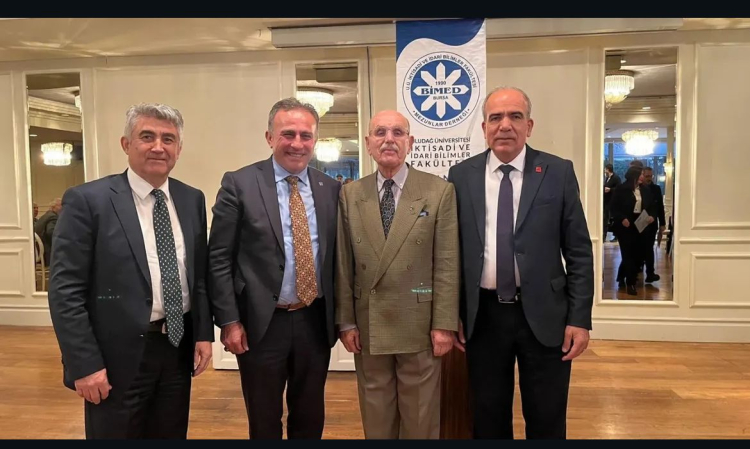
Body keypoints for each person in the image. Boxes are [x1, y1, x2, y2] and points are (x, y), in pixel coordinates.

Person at [47, 103, 214, 439]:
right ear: (126, 144)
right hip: (114, 358)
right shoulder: (88, 201)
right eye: (147, 137)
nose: (158, 147)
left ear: (179, 148)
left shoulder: (191, 199)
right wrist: (84, 364)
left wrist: (203, 334)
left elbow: (197, 276)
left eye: (168, 139)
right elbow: (65, 291)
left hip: (176, 348)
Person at [447, 87, 594, 439]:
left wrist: (579, 318)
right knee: (488, 417)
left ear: (529, 125)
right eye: (495, 117)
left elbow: (578, 251)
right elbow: (451, 253)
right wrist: (452, 314)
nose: (505, 125)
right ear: (484, 127)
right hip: (483, 317)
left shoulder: (557, 171)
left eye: (515, 116)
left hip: (545, 314)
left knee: (546, 417)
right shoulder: (461, 175)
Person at [207, 98, 341, 439]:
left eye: (306, 136)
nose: (297, 143)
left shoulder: (330, 189)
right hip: (260, 324)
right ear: (269, 137)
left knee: (310, 414)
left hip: (314, 319)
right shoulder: (239, 184)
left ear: (315, 140)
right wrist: (229, 321)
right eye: (288, 134)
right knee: (264, 418)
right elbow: (219, 258)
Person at [335, 110, 459, 439]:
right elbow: (344, 264)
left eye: (397, 132)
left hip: (419, 322)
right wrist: (346, 321)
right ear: (368, 143)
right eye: (380, 132)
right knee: (376, 417)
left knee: (420, 419)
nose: (389, 139)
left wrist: (444, 324)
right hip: (368, 322)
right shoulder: (351, 194)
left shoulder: (439, 191)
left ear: (410, 142)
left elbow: (447, 263)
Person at [610, 166, 657, 295]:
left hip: (640, 224)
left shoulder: (645, 189)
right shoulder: (621, 189)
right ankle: (630, 283)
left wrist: (652, 216)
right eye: (641, 174)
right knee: (627, 254)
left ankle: (621, 276)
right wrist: (622, 218)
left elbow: (652, 206)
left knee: (638, 254)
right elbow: (614, 208)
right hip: (625, 226)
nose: (642, 177)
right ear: (634, 176)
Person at [640, 167, 665, 283]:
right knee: (640, 247)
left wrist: (662, 224)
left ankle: (650, 273)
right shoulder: (638, 188)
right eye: (647, 176)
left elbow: (660, 207)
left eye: (650, 176)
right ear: (642, 175)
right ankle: (639, 269)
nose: (649, 178)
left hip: (652, 223)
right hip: (639, 223)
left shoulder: (656, 189)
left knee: (649, 248)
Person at [34, 198, 62, 266]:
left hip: (39, 253)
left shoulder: (45, 216)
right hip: (47, 254)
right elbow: (51, 232)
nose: (63, 208)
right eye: (61, 205)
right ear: (54, 207)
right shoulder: (53, 217)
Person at [603, 164, 621, 240]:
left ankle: (616, 235)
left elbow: (619, 189)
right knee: (605, 218)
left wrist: (610, 190)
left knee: (612, 219)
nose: (604, 171)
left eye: (605, 169)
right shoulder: (607, 178)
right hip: (606, 201)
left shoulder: (616, 178)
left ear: (608, 169)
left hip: (612, 202)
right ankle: (604, 235)